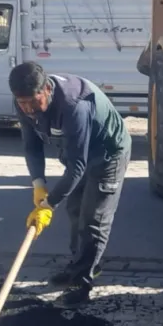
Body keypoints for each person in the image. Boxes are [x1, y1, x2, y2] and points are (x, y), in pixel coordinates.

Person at [10, 61, 132, 309]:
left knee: (93, 219)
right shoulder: (22, 101)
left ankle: (81, 283)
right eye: (22, 103)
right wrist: (38, 183)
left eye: (33, 102)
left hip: (109, 154)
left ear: (47, 90)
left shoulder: (73, 105)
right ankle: (81, 266)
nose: (29, 109)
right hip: (78, 152)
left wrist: (48, 205)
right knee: (75, 210)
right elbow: (31, 146)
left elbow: (77, 167)